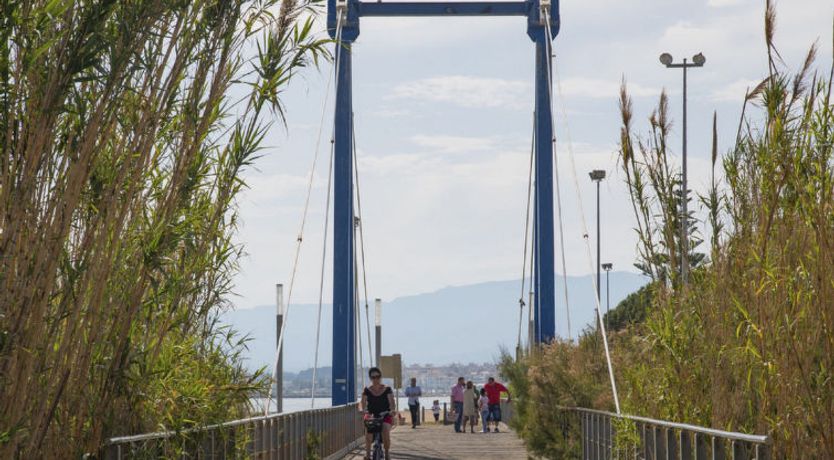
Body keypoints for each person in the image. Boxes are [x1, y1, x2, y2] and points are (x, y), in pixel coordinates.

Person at [360, 367, 396, 459]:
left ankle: (387, 453)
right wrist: (363, 410)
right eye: (373, 377)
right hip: (371, 415)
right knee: (368, 432)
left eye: (378, 376)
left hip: (385, 415)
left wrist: (392, 410)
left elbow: (392, 402)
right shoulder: (367, 390)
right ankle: (368, 455)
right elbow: (362, 403)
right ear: (370, 378)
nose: (376, 379)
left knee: (385, 430)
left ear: (380, 377)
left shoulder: (387, 389)